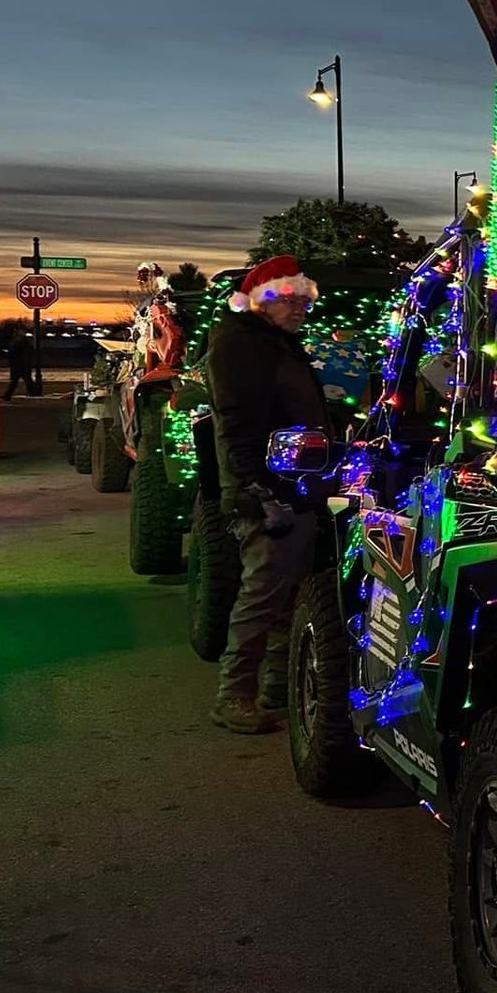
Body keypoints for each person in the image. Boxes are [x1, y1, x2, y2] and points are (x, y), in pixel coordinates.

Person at [205, 255, 327, 734]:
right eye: (290, 300)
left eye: (304, 301)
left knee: (288, 588)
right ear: (263, 300)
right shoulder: (243, 348)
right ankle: (234, 693)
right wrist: (258, 489)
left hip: (293, 485)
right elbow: (238, 425)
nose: (300, 309)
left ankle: (277, 685)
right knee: (264, 589)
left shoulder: (276, 344)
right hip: (269, 490)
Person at [3, 323, 35, 399]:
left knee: (15, 381)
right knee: (27, 380)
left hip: (18, 364)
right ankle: (32, 393)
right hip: (23, 364)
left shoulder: (17, 343)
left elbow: (13, 353)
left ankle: (7, 395)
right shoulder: (25, 342)